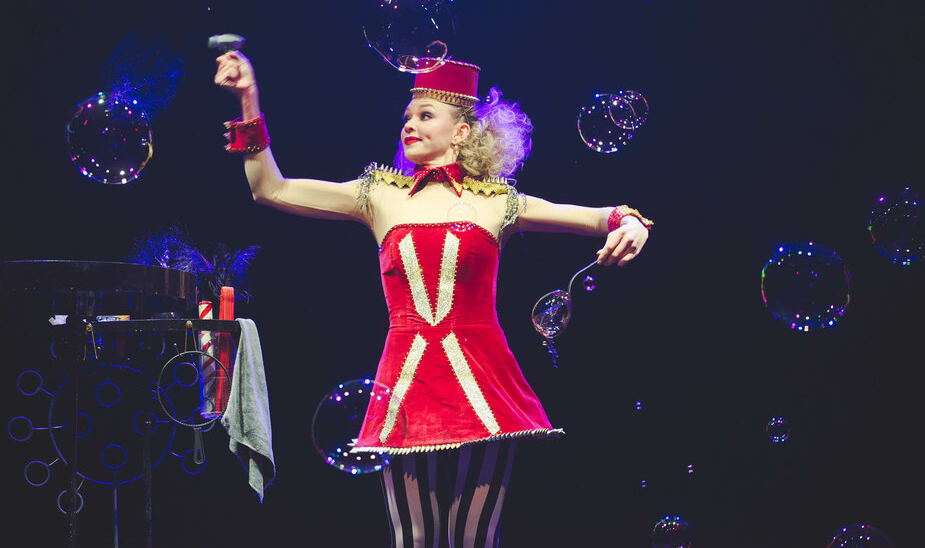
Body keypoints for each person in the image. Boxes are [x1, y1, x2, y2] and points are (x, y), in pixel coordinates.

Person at [215, 53, 652, 548]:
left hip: (483, 382)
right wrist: (248, 97)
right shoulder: (379, 194)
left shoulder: (499, 202)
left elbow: (596, 216)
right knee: (415, 541)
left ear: (461, 132)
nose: (409, 124)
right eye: (407, 116)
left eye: (425, 115)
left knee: (474, 540)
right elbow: (270, 188)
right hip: (406, 384)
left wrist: (630, 223)